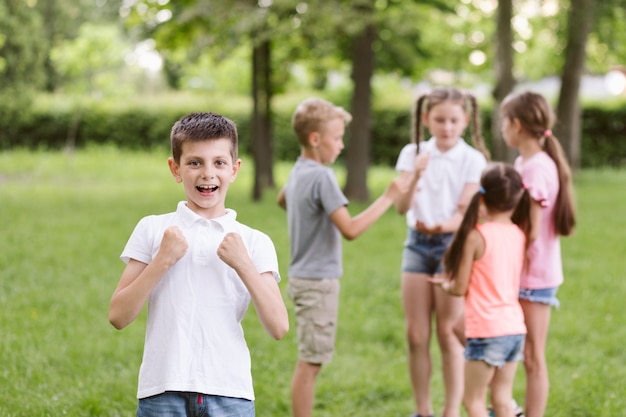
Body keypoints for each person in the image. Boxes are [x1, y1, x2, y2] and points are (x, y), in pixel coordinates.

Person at [108, 112, 289, 417]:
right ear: (175, 168)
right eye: (195, 162)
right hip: (162, 392)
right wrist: (162, 260)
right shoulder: (153, 230)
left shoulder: (254, 242)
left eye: (219, 162)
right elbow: (118, 316)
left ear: (235, 169)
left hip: (230, 394)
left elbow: (279, 326)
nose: (208, 173)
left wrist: (243, 264)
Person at [277, 97, 408, 417]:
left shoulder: (299, 170)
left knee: (311, 359)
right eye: (337, 138)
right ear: (315, 139)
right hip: (317, 281)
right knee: (310, 363)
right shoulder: (322, 177)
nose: (341, 144)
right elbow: (350, 229)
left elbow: (283, 199)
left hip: (302, 277)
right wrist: (388, 198)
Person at [395, 87, 490, 417]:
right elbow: (400, 206)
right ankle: (424, 411)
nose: (446, 127)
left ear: (465, 120)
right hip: (417, 246)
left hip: (453, 248)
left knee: (449, 332)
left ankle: (451, 411)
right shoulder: (412, 154)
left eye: (453, 120)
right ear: (426, 120)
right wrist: (417, 173)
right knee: (416, 334)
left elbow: (464, 213)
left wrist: (440, 227)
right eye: (439, 120)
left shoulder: (472, 159)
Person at [431, 162, 531, 417]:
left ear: (483, 196)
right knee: (502, 399)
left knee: (473, 402)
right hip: (514, 328)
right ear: (518, 198)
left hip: (487, 329)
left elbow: (460, 287)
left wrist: (445, 284)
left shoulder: (477, 236)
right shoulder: (518, 234)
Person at [499, 91, 576, 417]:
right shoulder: (525, 163)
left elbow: (531, 230)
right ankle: (506, 406)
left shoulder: (537, 169)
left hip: (533, 276)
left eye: (504, 121)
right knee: (514, 349)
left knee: (532, 355)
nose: (503, 128)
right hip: (524, 274)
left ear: (516, 125)